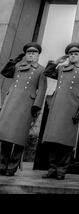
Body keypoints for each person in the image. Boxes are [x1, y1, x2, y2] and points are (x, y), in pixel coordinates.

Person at [41, 42, 79, 180]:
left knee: (66, 140)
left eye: (75, 54)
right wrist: (57, 61)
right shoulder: (62, 68)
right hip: (57, 106)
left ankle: (61, 170)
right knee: (52, 139)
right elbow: (47, 73)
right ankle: (52, 168)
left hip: (72, 107)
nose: (73, 56)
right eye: (70, 54)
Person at [0, 42, 47, 176]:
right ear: (25, 55)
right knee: (5, 136)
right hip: (11, 102)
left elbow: (42, 89)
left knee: (19, 137)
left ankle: (12, 167)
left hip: (27, 105)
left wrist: (36, 106)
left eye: (34, 53)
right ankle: (2, 165)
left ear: (38, 55)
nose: (31, 55)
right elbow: (4, 72)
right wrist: (13, 61)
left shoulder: (41, 70)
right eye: (29, 53)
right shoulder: (18, 66)